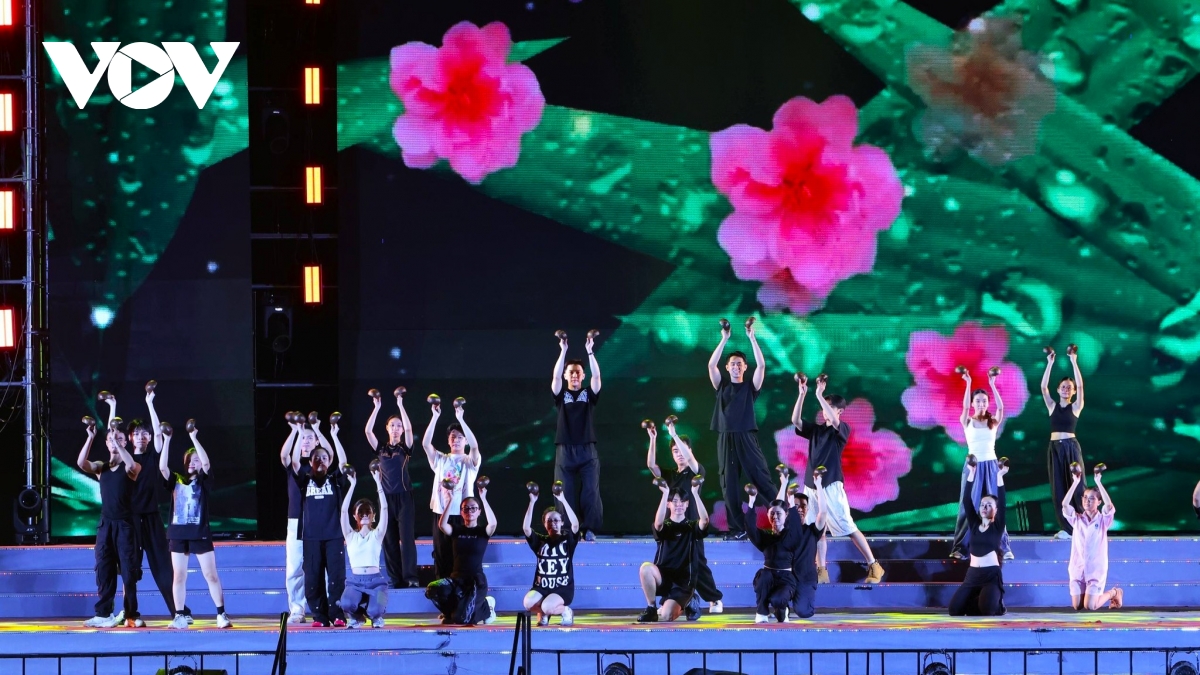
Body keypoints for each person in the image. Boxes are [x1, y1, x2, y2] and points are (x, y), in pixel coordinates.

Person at [789, 374, 884, 584]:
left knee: (848, 526)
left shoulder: (842, 429)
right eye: (824, 406)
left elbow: (833, 420)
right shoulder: (816, 430)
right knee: (817, 530)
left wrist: (818, 394)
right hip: (811, 487)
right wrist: (802, 395)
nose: (825, 410)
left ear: (839, 411)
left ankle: (874, 565)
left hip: (830, 485)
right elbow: (795, 420)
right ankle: (821, 570)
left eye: (830, 407)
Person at [103, 390, 182, 625]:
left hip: (151, 518)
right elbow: (112, 436)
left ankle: (178, 612)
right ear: (129, 437)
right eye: (136, 433)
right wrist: (112, 408)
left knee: (163, 566)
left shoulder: (152, 457)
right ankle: (129, 612)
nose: (141, 437)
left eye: (144, 433)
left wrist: (150, 402)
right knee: (130, 568)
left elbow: (158, 433)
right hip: (129, 519)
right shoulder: (123, 460)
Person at [645, 419, 724, 614]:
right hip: (671, 526)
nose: (679, 454)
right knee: (668, 562)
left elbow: (690, 460)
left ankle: (714, 598)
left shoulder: (696, 471)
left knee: (697, 561)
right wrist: (653, 439)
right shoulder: (669, 474)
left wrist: (673, 434)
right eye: (675, 451)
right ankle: (673, 599)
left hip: (691, 526)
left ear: (689, 450)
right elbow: (651, 465)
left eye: (682, 450)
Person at [159, 421, 232, 629]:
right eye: (189, 459)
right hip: (178, 534)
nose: (193, 462)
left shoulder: (203, 481)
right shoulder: (176, 480)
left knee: (210, 574)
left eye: (196, 459)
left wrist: (193, 438)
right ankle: (179, 615)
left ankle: (221, 614)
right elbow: (162, 467)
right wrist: (167, 440)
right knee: (179, 576)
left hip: (200, 533)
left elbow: (207, 465)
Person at [708, 319, 775, 540]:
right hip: (726, 438)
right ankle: (738, 529)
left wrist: (752, 338)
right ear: (727, 367)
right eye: (733, 364)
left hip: (746, 437)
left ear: (745, 367)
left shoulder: (750, 387)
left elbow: (762, 367)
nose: (736, 367)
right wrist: (724, 339)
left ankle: (785, 518)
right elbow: (711, 366)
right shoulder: (721, 386)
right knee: (729, 485)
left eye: (740, 364)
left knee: (761, 478)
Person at [77, 419, 142, 628]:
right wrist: (90, 437)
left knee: (128, 572)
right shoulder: (101, 468)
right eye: (112, 440)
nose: (115, 441)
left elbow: (131, 465)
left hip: (125, 526)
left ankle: (131, 614)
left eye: (120, 439)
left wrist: (118, 442)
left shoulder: (131, 466)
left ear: (125, 442)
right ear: (106, 443)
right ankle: (104, 613)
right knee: (104, 568)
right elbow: (81, 463)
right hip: (106, 525)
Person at [745, 469, 826, 623]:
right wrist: (783, 484)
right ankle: (778, 606)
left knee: (803, 611)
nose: (799, 508)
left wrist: (819, 485)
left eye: (803, 506)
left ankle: (784, 605)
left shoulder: (811, 531)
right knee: (770, 584)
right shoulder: (785, 530)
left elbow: (823, 513)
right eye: (796, 505)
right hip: (783, 577)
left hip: (803, 578)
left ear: (808, 509)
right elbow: (778, 508)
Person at [951, 369, 1013, 561]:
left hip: (991, 466)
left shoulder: (992, 422)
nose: (981, 404)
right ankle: (960, 547)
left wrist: (992, 384)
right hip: (973, 467)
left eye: (984, 401)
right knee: (967, 505)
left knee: (996, 504)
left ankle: (1003, 547)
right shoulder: (967, 421)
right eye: (977, 401)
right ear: (973, 403)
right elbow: (964, 406)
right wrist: (968, 382)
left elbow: (1001, 408)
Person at [364, 388, 420, 588]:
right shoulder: (381, 448)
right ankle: (395, 578)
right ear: (387, 428)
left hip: (404, 497)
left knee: (407, 539)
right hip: (386, 499)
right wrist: (376, 407)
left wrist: (400, 404)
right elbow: (368, 431)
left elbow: (410, 430)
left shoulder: (405, 448)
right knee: (389, 540)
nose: (396, 428)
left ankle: (410, 577)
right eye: (392, 425)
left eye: (398, 426)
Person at [551, 330, 603, 541]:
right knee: (564, 491)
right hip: (564, 449)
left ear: (583, 376)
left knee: (590, 490)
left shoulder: (588, 394)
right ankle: (567, 530)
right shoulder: (561, 394)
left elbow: (597, 377)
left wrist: (590, 352)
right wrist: (563, 350)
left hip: (587, 449)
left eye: (578, 372)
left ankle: (589, 529)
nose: (574, 375)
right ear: (566, 375)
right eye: (571, 372)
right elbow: (555, 377)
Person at [422, 397, 482, 579]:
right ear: (448, 440)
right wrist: (434, 417)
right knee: (441, 553)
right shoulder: (441, 459)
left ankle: (461, 588)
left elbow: (475, 446)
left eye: (460, 437)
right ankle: (442, 589)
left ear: (465, 441)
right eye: (453, 437)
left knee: (461, 556)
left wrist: (461, 419)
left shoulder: (469, 461)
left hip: (463, 515)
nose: (456, 440)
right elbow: (425, 444)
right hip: (441, 513)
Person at [294, 433, 349, 627]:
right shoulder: (305, 480)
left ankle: (337, 614)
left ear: (329, 462)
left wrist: (334, 435)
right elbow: (294, 462)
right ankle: (320, 616)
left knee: (336, 578)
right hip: (311, 538)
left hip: (334, 536)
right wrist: (298, 432)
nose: (320, 461)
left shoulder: (335, 480)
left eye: (324, 458)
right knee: (313, 579)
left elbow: (343, 462)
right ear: (310, 461)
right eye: (316, 458)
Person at [636, 481, 710, 623]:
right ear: (668, 504)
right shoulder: (665, 526)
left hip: (683, 582)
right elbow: (658, 524)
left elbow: (705, 520)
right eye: (674, 501)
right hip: (664, 577)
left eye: (682, 501)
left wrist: (695, 493)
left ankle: (689, 602)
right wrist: (665, 493)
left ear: (687, 504)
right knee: (645, 568)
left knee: (667, 616)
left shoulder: (692, 527)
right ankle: (651, 608)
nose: (679, 505)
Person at [426, 486, 498, 625]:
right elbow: (442, 525)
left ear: (479, 512)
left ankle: (486, 607)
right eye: (466, 508)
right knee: (432, 589)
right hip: (456, 580)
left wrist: (483, 498)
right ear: (461, 512)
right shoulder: (457, 530)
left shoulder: (483, 532)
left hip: (475, 582)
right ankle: (450, 613)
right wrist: (450, 500)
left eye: (473, 508)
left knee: (462, 620)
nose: (469, 511)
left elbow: (493, 523)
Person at [948, 461, 1009, 616]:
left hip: (991, 575)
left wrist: (1000, 476)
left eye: (989, 505)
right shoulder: (974, 524)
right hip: (973, 575)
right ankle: (980, 599)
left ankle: (997, 604)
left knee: (987, 611)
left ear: (995, 510)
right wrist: (971, 474)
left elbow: (1003, 503)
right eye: (982, 504)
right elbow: (966, 500)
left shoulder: (997, 526)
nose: (984, 507)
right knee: (954, 610)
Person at [1041, 346, 1085, 539]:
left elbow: (1081, 387)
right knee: (1058, 487)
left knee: (1077, 485)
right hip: (1054, 449)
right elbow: (1043, 388)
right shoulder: (1052, 406)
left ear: (1073, 392)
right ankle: (1067, 529)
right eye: (1064, 387)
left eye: (1070, 387)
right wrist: (1049, 364)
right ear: (1058, 390)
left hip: (1070, 448)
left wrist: (1074, 361)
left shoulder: (1076, 407)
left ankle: (1082, 524)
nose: (1066, 389)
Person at [338, 464, 390, 628]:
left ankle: (376, 614)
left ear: (374, 516)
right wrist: (352, 485)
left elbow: (385, 507)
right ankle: (357, 616)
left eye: (368, 512)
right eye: (361, 512)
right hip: (355, 582)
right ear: (355, 516)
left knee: (377, 609)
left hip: (377, 582)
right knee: (346, 604)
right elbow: (343, 511)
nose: (365, 515)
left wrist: (378, 483)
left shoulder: (377, 534)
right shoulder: (350, 535)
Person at [1063, 466, 1122, 610]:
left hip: (1095, 569)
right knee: (1077, 606)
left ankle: (1115, 592)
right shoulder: (1076, 519)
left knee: (1090, 606)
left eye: (1091, 499)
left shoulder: (1103, 520)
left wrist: (1098, 482)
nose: (1087, 501)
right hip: (1077, 568)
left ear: (1098, 502)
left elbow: (1109, 505)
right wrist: (1075, 483)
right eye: (1085, 498)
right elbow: (1064, 504)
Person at [522, 484, 581, 626]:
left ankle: (565, 610)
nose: (552, 523)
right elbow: (526, 528)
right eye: (549, 520)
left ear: (562, 522)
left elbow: (575, 525)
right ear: (544, 524)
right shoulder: (540, 541)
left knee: (547, 606)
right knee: (528, 603)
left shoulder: (568, 540)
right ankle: (544, 611)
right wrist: (532, 502)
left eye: (556, 520)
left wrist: (563, 500)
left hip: (562, 587)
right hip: (541, 587)